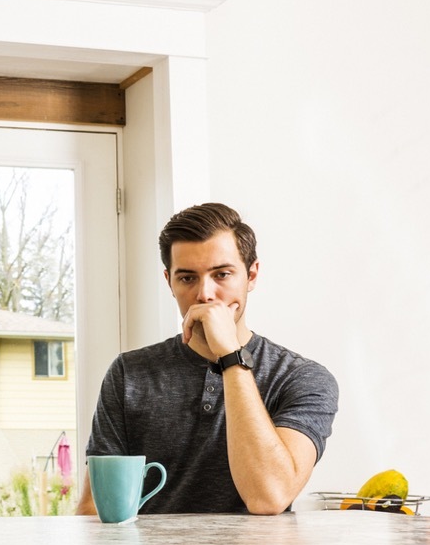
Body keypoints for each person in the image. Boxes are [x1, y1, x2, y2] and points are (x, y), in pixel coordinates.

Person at [76, 202, 338, 516]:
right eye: (187, 278)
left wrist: (231, 356)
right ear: (169, 282)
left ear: (251, 275)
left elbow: (269, 496)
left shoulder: (301, 378)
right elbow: (94, 506)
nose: (205, 294)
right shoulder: (129, 373)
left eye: (222, 274)